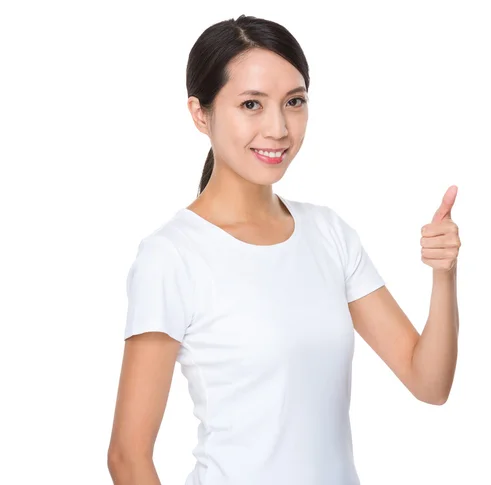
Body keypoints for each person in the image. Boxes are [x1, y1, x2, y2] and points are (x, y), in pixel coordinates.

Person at [107, 14, 459, 485]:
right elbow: (128, 457)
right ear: (200, 113)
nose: (278, 128)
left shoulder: (328, 233)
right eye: (251, 104)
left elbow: (429, 383)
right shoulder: (171, 256)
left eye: (294, 102)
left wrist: (443, 274)